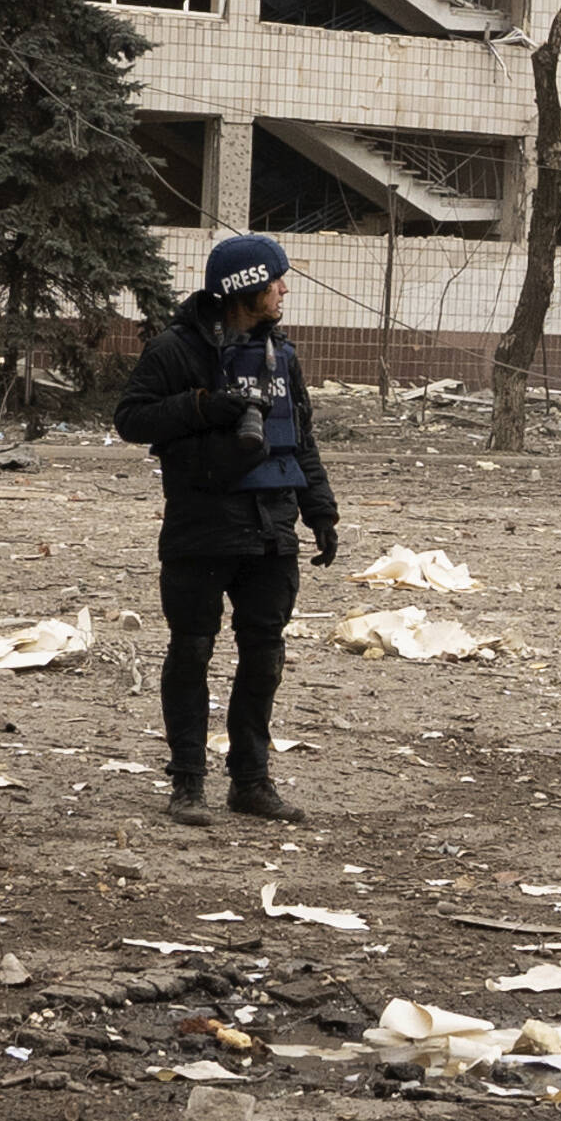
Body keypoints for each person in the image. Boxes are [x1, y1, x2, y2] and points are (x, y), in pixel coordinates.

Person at [113, 231, 338, 823]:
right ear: (245, 288)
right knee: (191, 650)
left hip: (271, 531)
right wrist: (200, 406)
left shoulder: (280, 354)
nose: (284, 289)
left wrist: (322, 511)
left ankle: (251, 781)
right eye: (275, 280)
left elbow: (302, 437)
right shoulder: (173, 350)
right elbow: (131, 419)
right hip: (201, 529)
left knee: (264, 655)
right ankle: (187, 783)